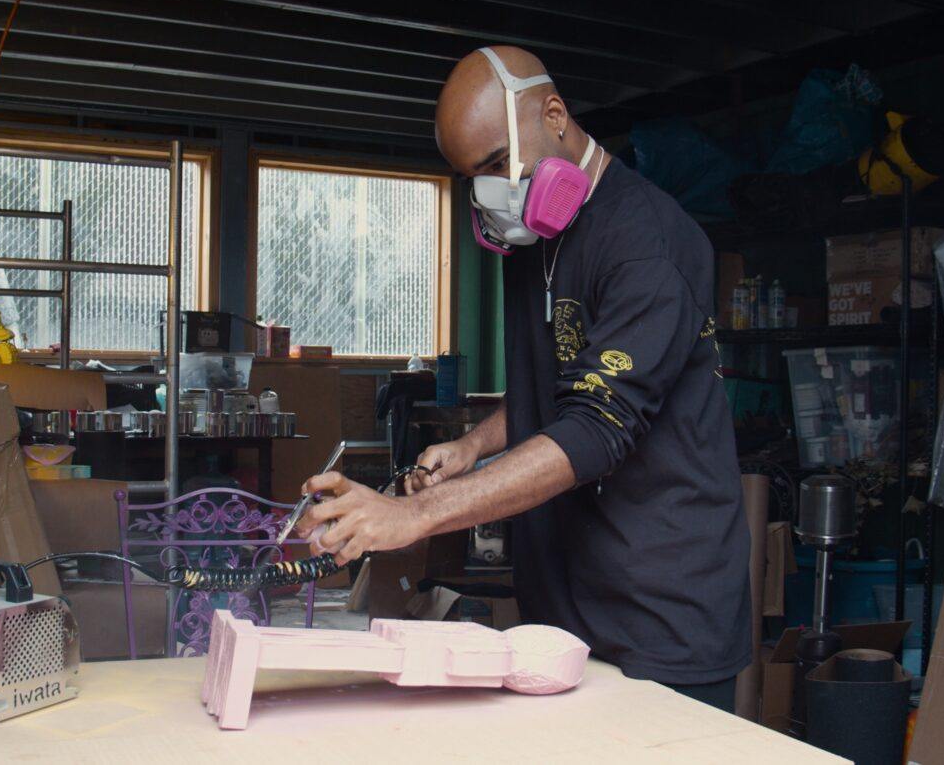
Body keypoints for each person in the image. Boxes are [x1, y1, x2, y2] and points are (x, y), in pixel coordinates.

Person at [296, 46, 750, 711]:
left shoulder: (648, 244)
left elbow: (596, 427)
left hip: (661, 614)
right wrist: (473, 446)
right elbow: (558, 382)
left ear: (555, 116)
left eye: (497, 163)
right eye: (473, 177)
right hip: (561, 609)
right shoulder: (533, 242)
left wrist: (412, 516)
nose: (492, 191)